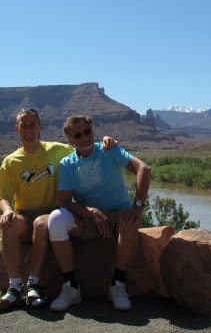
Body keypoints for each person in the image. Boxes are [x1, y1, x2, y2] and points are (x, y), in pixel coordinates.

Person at [0, 108, 116, 314]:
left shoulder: (57, 150)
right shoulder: (11, 161)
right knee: (9, 224)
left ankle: (33, 286)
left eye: (32, 125)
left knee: (42, 223)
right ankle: (13, 289)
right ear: (17, 129)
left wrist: (106, 143)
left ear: (40, 127)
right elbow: (2, 196)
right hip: (26, 214)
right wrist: (7, 210)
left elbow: (83, 147)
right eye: (24, 125)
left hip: (53, 213)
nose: (29, 129)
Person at [47, 115, 151, 311]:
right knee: (56, 219)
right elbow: (63, 202)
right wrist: (91, 212)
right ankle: (71, 288)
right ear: (70, 140)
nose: (84, 137)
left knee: (130, 222)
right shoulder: (67, 164)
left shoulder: (108, 150)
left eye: (87, 132)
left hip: (118, 214)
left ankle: (117, 286)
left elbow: (143, 169)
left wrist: (137, 206)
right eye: (77, 135)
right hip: (88, 219)